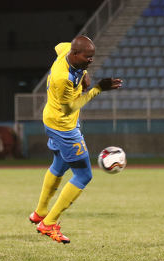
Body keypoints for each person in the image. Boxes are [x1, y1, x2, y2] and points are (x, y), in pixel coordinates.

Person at [29, 35, 122, 243]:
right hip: (64, 127)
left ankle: (40, 211)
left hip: (51, 119)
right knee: (83, 175)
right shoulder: (64, 79)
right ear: (76, 53)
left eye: (92, 57)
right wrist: (98, 88)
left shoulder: (66, 51)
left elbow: (58, 44)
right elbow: (71, 106)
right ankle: (49, 223)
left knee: (60, 164)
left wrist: (85, 72)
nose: (91, 60)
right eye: (88, 57)